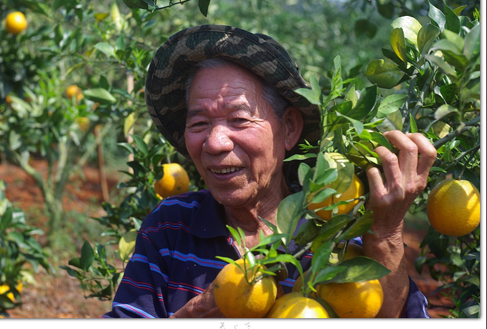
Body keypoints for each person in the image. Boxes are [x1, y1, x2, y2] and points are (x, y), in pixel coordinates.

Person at [102, 25, 437, 318]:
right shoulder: (170, 226)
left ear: (289, 128)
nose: (215, 142)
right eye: (199, 123)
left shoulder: (339, 232)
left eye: (239, 119)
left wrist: (388, 231)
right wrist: (197, 316)